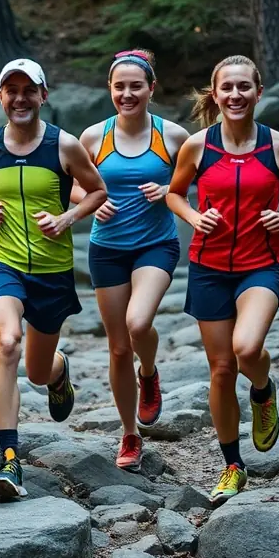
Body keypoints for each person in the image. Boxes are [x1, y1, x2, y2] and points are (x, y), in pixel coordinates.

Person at [166, 54, 279, 505]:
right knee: (219, 369)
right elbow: (175, 195)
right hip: (209, 267)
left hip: (261, 264)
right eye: (226, 88)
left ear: (258, 92)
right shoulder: (197, 146)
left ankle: (262, 389)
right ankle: (232, 465)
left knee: (247, 349)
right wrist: (196, 217)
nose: (235, 95)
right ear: (214, 95)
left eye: (244, 87)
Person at [0, 58, 107, 501]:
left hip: (51, 271)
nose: (20, 98)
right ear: (1, 97)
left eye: (30, 90)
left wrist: (67, 217)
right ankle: (9, 458)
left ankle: (59, 370)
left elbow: (98, 191)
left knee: (38, 370)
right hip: (0, 261)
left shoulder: (64, 146)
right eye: (12, 90)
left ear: (43, 96)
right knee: (8, 342)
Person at [75, 50, 189, 472]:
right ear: (110, 89)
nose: (127, 93)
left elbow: (191, 186)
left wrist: (169, 192)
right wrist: (90, 204)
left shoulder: (173, 136)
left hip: (155, 245)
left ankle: (151, 372)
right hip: (107, 248)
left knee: (138, 323)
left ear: (150, 89)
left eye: (135, 86)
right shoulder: (91, 138)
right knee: (118, 347)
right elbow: (69, 186)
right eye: (119, 86)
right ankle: (129, 433)